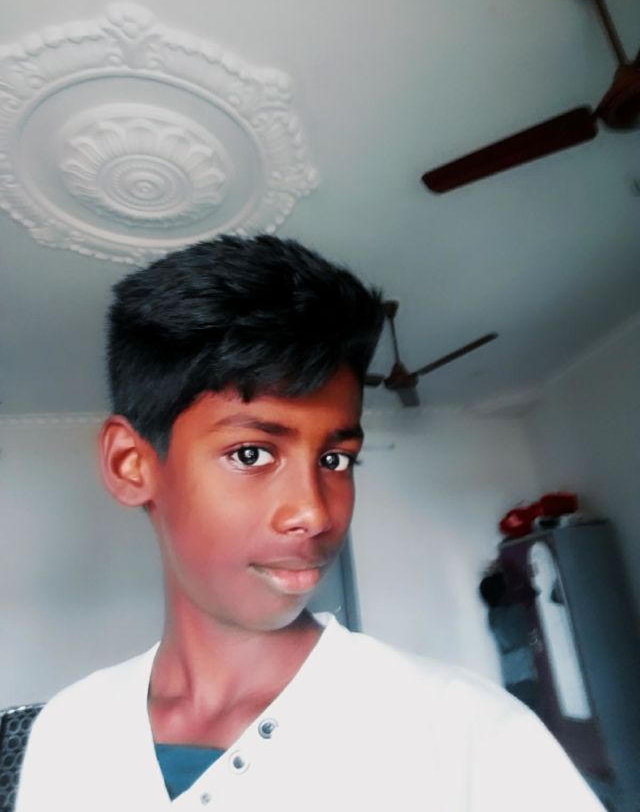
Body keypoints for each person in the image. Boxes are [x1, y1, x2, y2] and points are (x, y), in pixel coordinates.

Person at [14, 235, 605, 811]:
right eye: (251, 454)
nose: (315, 513)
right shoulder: (69, 731)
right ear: (132, 464)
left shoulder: (466, 732)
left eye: (336, 460)